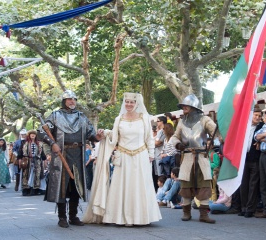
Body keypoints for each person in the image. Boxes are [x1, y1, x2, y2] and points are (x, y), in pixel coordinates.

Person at [83, 92, 162, 226]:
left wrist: (151, 154)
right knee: (123, 186)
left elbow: (149, 138)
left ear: (137, 104)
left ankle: (140, 218)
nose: (129, 104)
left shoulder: (144, 118)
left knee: (139, 185)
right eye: (127, 102)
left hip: (140, 155)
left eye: (132, 102)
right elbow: (114, 136)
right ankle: (122, 218)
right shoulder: (119, 119)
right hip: (123, 156)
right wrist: (105, 133)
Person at [37, 90, 102, 228]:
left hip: (78, 155)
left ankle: (73, 216)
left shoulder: (82, 117)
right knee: (62, 186)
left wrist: (97, 137)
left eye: (74, 99)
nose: (72, 101)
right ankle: (62, 217)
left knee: (76, 186)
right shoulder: (55, 116)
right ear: (64, 101)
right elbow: (41, 132)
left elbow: (91, 134)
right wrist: (52, 143)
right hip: (62, 154)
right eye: (69, 99)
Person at [169, 94, 217, 224]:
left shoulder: (205, 120)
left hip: (202, 156)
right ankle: (186, 212)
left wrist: (211, 142)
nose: (184, 107)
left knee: (204, 185)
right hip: (188, 156)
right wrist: (178, 144)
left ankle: (203, 214)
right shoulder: (181, 122)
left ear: (194, 107)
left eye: (187, 106)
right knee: (185, 185)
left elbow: (216, 134)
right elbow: (174, 137)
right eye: (183, 106)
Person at [239, 107, 263, 218]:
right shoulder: (245, 126)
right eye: (256, 115)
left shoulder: (262, 127)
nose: (257, 117)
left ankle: (250, 209)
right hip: (244, 158)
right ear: (251, 115)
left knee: (253, 185)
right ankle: (243, 207)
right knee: (244, 184)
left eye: (259, 116)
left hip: (256, 159)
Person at [18, 130, 47, 196]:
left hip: (37, 161)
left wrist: (44, 161)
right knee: (26, 175)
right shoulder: (25, 142)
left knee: (36, 176)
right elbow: (20, 152)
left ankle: (34, 190)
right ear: (29, 135)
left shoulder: (39, 144)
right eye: (31, 134)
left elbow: (42, 154)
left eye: (34, 134)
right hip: (27, 161)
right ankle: (26, 190)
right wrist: (20, 159)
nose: (33, 135)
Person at [153, 116, 167, 190]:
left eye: (158, 121)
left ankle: (163, 191)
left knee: (161, 175)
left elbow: (158, 143)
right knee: (157, 175)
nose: (157, 122)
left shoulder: (164, 131)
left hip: (161, 156)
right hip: (155, 156)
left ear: (162, 122)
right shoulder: (158, 131)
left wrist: (153, 143)